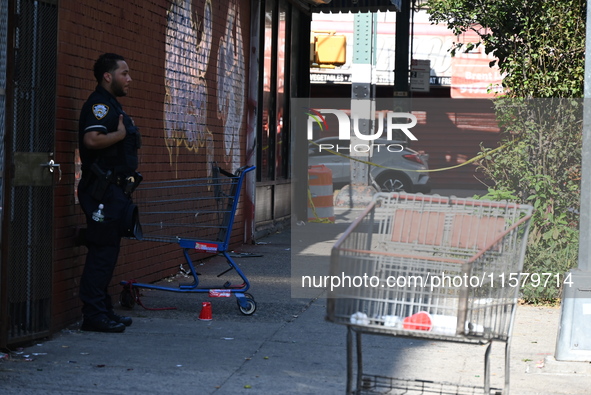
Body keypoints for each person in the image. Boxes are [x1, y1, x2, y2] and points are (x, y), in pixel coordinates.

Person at [77, 53, 142, 333]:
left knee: (107, 252)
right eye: (124, 73)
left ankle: (103, 310)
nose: (129, 78)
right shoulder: (99, 106)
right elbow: (91, 139)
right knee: (102, 254)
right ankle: (93, 316)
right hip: (101, 192)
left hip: (114, 192)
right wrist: (119, 135)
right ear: (108, 76)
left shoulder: (112, 105)